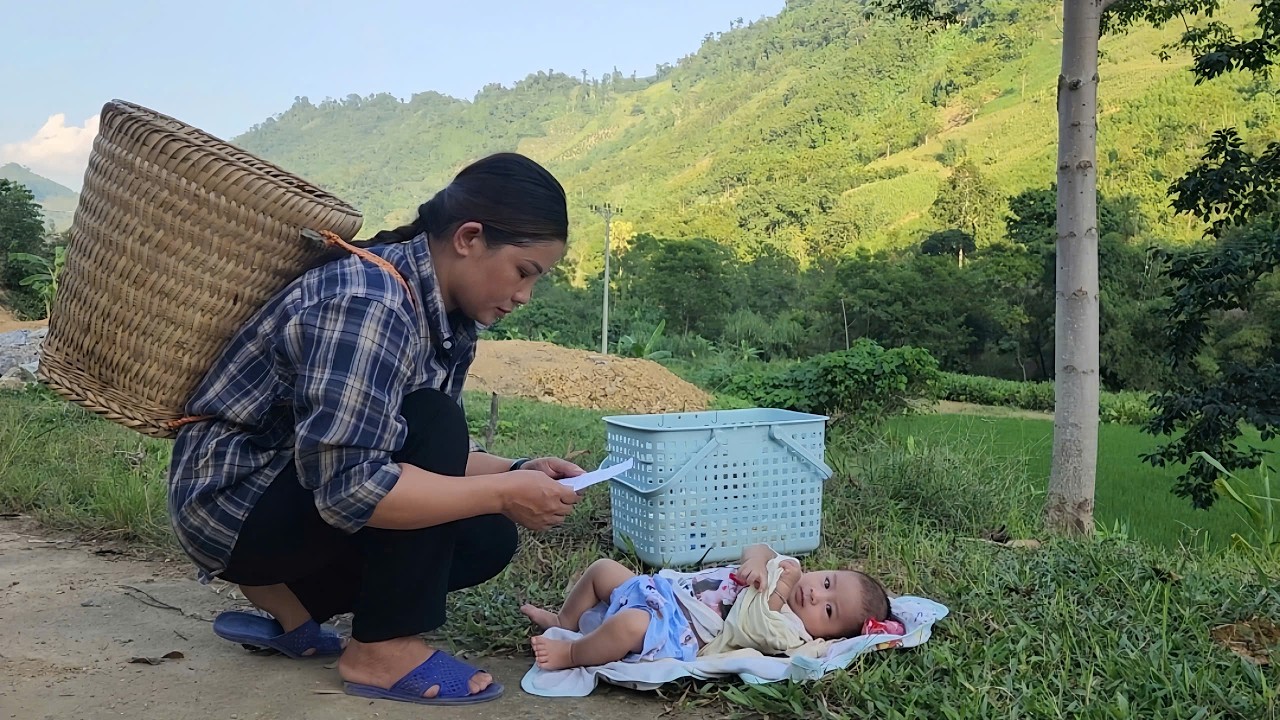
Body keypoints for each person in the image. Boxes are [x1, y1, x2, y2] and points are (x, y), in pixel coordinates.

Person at [166, 153, 585, 706]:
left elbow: (413, 450)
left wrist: (516, 473)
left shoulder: (443, 314)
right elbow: (353, 489)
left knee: (487, 534)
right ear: (470, 237)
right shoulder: (369, 301)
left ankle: (292, 601)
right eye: (524, 272)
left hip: (295, 486)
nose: (524, 295)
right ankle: (381, 652)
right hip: (236, 501)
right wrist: (504, 490)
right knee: (438, 420)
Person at [520, 543, 897, 671]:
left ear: (823, 634)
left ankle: (572, 652)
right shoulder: (791, 569)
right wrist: (755, 560)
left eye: (828, 611)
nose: (816, 595)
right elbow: (761, 548)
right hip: (664, 590)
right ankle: (565, 620)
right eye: (827, 583)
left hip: (679, 626)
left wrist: (780, 587)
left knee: (629, 626)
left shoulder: (788, 631)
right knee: (602, 570)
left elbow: (754, 621)